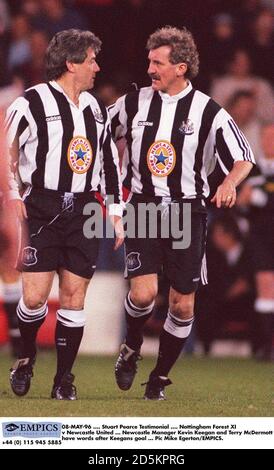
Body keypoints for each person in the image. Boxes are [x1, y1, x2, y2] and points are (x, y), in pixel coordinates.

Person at [109, 26, 255, 400]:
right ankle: (131, 345)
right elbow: (98, 131)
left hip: (188, 211)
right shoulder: (134, 102)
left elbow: (244, 157)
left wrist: (229, 183)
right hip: (141, 207)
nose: (150, 68)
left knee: (183, 302)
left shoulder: (208, 110)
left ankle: (158, 377)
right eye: (149, 60)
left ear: (181, 67)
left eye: (157, 62)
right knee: (143, 295)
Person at [6, 29, 123, 400]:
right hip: (41, 205)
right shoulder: (30, 103)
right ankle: (25, 357)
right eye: (91, 60)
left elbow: (109, 165)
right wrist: (11, 194)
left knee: (74, 296)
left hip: (84, 208)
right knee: (36, 298)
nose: (97, 67)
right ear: (71, 63)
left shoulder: (95, 109)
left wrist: (117, 211)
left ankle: (63, 379)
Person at [237, 123, 274, 361]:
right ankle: (265, 346)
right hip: (261, 237)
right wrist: (245, 200)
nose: (269, 141)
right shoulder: (251, 169)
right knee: (265, 286)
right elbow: (240, 204)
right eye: (266, 136)